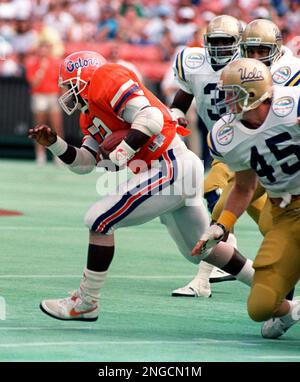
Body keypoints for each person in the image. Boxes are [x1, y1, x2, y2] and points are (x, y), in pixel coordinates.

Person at [29, 51, 254, 322]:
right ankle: (270, 285)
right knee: (203, 251)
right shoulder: (88, 117)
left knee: (98, 219)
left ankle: (86, 301)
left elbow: (151, 119)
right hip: (174, 167)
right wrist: (55, 144)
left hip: (169, 163)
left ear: (82, 76)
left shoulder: (105, 78)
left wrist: (122, 152)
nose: (65, 91)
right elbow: (85, 163)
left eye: (68, 84)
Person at [193, 58, 300, 339]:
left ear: (253, 94)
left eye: (232, 94)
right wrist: (222, 225)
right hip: (286, 215)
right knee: (261, 306)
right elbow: (244, 186)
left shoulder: (293, 103)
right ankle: (292, 311)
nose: (225, 101)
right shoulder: (226, 136)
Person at [170, 15, 245, 297]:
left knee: (213, 192)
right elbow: (185, 94)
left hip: (247, 142)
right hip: (220, 145)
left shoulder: (250, 65)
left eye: (227, 41)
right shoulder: (193, 62)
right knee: (220, 201)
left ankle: (205, 277)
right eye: (216, 41)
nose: (221, 47)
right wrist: (175, 113)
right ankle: (228, 256)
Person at [26, 39, 63, 166]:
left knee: (56, 127)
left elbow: (61, 83)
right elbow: (33, 83)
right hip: (39, 96)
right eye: (41, 47)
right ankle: (40, 155)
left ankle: (59, 156)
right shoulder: (31, 63)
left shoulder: (57, 63)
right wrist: (41, 69)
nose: (43, 50)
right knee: (39, 127)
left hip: (53, 96)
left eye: (46, 47)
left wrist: (62, 97)